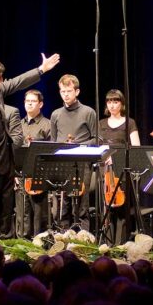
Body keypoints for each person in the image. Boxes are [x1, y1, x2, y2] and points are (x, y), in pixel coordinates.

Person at [0, 53, 60, 243]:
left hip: (5, 160)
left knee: (5, 209)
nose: (1, 80)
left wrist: (41, 69)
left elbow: (16, 82)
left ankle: (4, 248)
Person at [50, 74, 97, 229]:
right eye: (62, 91)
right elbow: (53, 142)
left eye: (69, 91)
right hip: (63, 163)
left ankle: (83, 242)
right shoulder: (56, 114)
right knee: (63, 206)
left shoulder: (88, 112)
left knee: (81, 206)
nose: (66, 94)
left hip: (82, 163)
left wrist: (78, 145)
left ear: (77, 92)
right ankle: (63, 241)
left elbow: (96, 140)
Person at [98, 89, 140, 243]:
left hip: (121, 169)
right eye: (109, 101)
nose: (112, 105)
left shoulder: (130, 122)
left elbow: (136, 147)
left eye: (115, 101)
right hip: (105, 169)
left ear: (121, 104)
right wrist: (104, 157)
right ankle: (107, 244)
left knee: (121, 208)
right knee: (106, 208)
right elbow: (98, 147)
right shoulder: (101, 124)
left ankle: (120, 244)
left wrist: (116, 157)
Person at [15, 89, 52, 238]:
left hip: (39, 176)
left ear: (41, 104)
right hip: (21, 175)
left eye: (33, 101)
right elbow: (13, 150)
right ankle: (22, 243)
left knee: (39, 215)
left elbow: (51, 152)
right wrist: (14, 174)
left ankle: (39, 245)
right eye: (27, 101)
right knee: (22, 213)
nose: (29, 104)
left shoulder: (47, 124)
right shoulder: (18, 124)